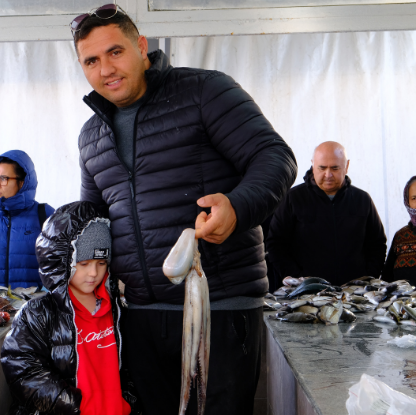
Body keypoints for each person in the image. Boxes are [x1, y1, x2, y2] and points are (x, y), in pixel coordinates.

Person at [71, 5, 297, 414]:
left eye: (115, 52)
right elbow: (93, 221)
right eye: (91, 60)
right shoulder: (91, 136)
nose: (106, 69)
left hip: (221, 304)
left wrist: (237, 206)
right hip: (139, 315)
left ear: (141, 47)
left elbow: (274, 157)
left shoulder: (204, 91)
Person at [1, 201, 132, 415]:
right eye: (83, 263)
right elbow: (22, 371)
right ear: (63, 261)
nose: (93, 273)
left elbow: (133, 369)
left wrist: (129, 403)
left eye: (101, 263)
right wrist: (74, 406)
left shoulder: (117, 310)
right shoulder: (37, 313)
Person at [267, 142, 386, 285]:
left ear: (346, 166)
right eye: (322, 168)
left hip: (354, 294)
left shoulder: (362, 200)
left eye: (335, 168)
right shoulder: (293, 198)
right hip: (307, 295)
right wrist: (297, 278)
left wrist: (368, 277)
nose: (328, 174)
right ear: (313, 165)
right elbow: (275, 244)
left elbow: (377, 244)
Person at [0, 150, 55, 290]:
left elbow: (55, 266)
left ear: (22, 182)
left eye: (3, 178)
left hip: (32, 308)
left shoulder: (45, 215)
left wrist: (41, 301)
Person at [381, 177, 416, 283]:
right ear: (407, 202)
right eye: (414, 198)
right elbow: (387, 279)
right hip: (403, 299)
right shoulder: (400, 236)